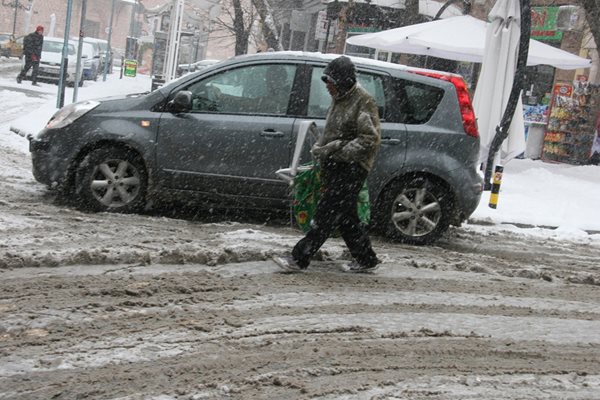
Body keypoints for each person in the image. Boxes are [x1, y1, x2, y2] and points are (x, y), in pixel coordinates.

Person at [274, 56, 382, 273]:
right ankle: (366, 259)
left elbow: (369, 139)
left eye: (331, 84)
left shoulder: (363, 101)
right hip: (337, 165)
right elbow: (336, 131)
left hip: (352, 167)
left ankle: (299, 258)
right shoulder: (341, 98)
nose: (328, 89)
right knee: (346, 216)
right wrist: (322, 148)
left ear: (343, 82)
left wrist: (338, 152)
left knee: (326, 213)